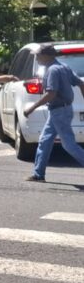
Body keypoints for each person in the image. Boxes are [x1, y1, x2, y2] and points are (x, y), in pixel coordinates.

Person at [24, 43, 84, 183]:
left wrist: (32, 108)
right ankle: (38, 174)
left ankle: (38, 174)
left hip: (59, 111)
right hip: (60, 110)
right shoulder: (63, 67)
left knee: (69, 145)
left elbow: (51, 94)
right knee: (45, 141)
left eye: (38, 55)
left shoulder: (53, 70)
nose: (36, 58)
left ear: (46, 56)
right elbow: (81, 83)